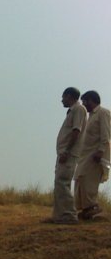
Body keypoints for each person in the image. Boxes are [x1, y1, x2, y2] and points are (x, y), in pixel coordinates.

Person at [47, 87, 87, 224]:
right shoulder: (73, 111)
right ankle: (59, 215)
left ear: (69, 96)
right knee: (59, 183)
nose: (62, 100)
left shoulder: (78, 109)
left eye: (63, 97)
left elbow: (76, 131)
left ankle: (69, 215)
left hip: (68, 154)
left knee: (62, 182)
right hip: (64, 153)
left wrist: (67, 151)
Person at [74, 91, 111, 220]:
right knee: (80, 178)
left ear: (92, 100)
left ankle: (93, 207)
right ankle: (85, 209)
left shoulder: (103, 113)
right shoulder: (89, 116)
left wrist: (100, 151)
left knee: (88, 180)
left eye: (85, 101)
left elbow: (106, 134)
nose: (84, 104)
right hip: (85, 155)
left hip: (95, 154)